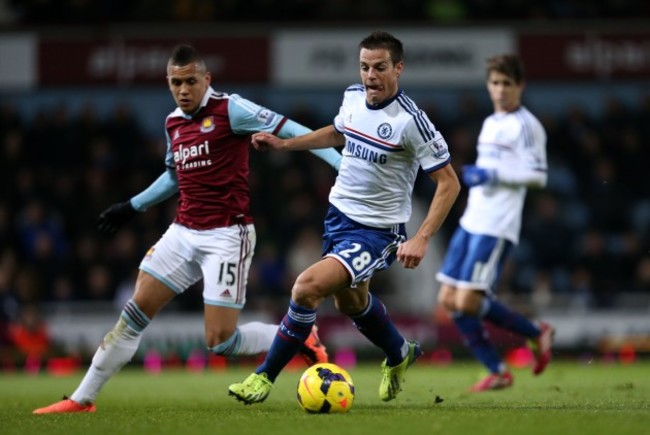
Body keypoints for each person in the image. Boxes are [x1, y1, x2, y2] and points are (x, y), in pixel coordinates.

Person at [33, 44, 341, 414]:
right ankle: (82, 399)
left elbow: (292, 128)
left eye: (190, 81)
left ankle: (298, 334)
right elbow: (173, 177)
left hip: (228, 236)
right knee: (132, 314)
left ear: (206, 79)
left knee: (220, 342)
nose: (183, 90)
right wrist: (133, 205)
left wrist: (342, 165)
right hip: (182, 232)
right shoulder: (172, 122)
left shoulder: (232, 109)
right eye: (175, 82)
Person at [228, 31, 460, 404]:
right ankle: (400, 353)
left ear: (398, 68)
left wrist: (422, 236)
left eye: (380, 68)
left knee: (306, 288)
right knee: (350, 304)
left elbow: (449, 183)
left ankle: (263, 377)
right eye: (365, 67)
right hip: (338, 219)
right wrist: (285, 143)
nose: (371, 76)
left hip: (377, 232)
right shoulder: (353, 97)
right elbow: (338, 133)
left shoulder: (411, 121)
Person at [435, 54, 554, 392]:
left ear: (520, 86)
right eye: (495, 83)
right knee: (448, 298)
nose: (500, 90)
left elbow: (538, 176)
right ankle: (498, 369)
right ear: (488, 86)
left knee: (468, 302)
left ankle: (535, 333)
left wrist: (492, 174)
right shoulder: (490, 123)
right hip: (473, 219)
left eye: (507, 83)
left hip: (498, 225)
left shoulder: (526, 125)